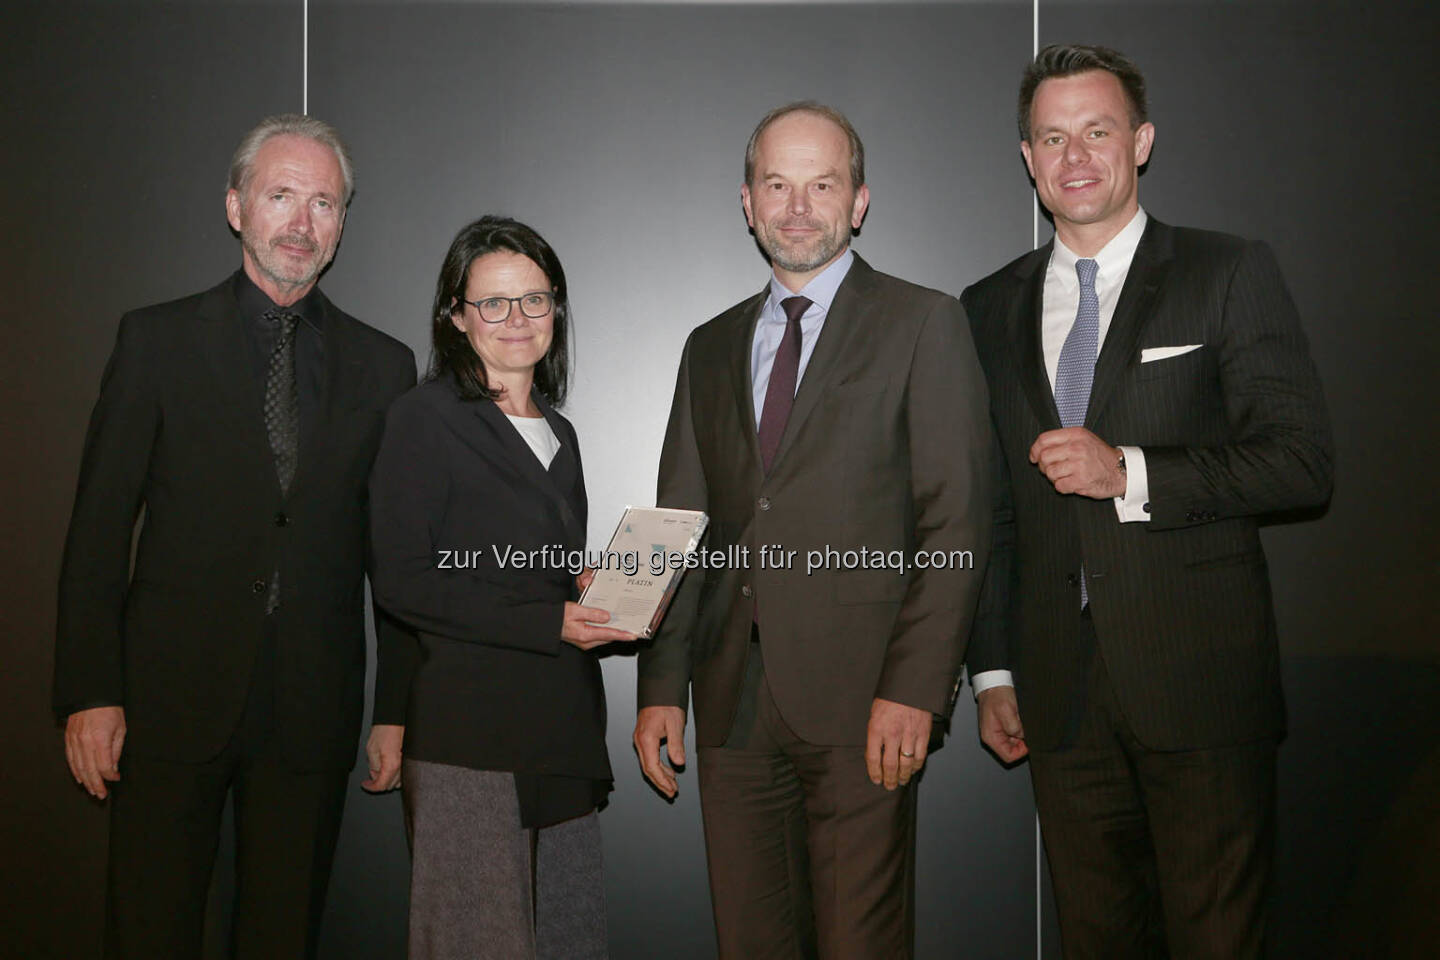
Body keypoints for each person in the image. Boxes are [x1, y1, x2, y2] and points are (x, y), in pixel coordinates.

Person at [962, 45, 1333, 958]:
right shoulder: (983, 308)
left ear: (1143, 141)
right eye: (1053, 137)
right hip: (1057, 694)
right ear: (1027, 158)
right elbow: (989, 509)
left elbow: (1299, 464)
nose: (1075, 156)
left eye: (1097, 131)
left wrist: (1130, 471)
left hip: (1200, 684)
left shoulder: (1226, 271)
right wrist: (994, 670)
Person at [53, 114, 417, 957]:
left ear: (340, 226)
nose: (301, 221)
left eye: (324, 203)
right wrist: (88, 689)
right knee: (148, 929)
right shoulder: (156, 341)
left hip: (311, 709)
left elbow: (393, 555)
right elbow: (99, 528)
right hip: (165, 703)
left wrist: (397, 710)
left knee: (282, 936)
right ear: (235, 207)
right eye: (281, 195)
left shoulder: (384, 366)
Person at [633, 102, 991, 958]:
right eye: (777, 185)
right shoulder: (707, 345)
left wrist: (916, 687)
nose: (798, 207)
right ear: (747, 203)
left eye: (821, 184)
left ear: (858, 200)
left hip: (865, 703)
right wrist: (657, 686)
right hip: (729, 705)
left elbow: (957, 521)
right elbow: (677, 523)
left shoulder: (923, 322)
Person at [364, 216, 633, 960]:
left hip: (561, 732)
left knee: (567, 941)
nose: (517, 320)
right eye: (493, 303)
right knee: (474, 945)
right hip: (469, 740)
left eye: (535, 300)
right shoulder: (422, 419)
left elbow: (515, 566)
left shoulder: (561, 432)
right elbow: (403, 580)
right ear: (456, 316)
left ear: (557, 308)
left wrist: (581, 584)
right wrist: (549, 619)